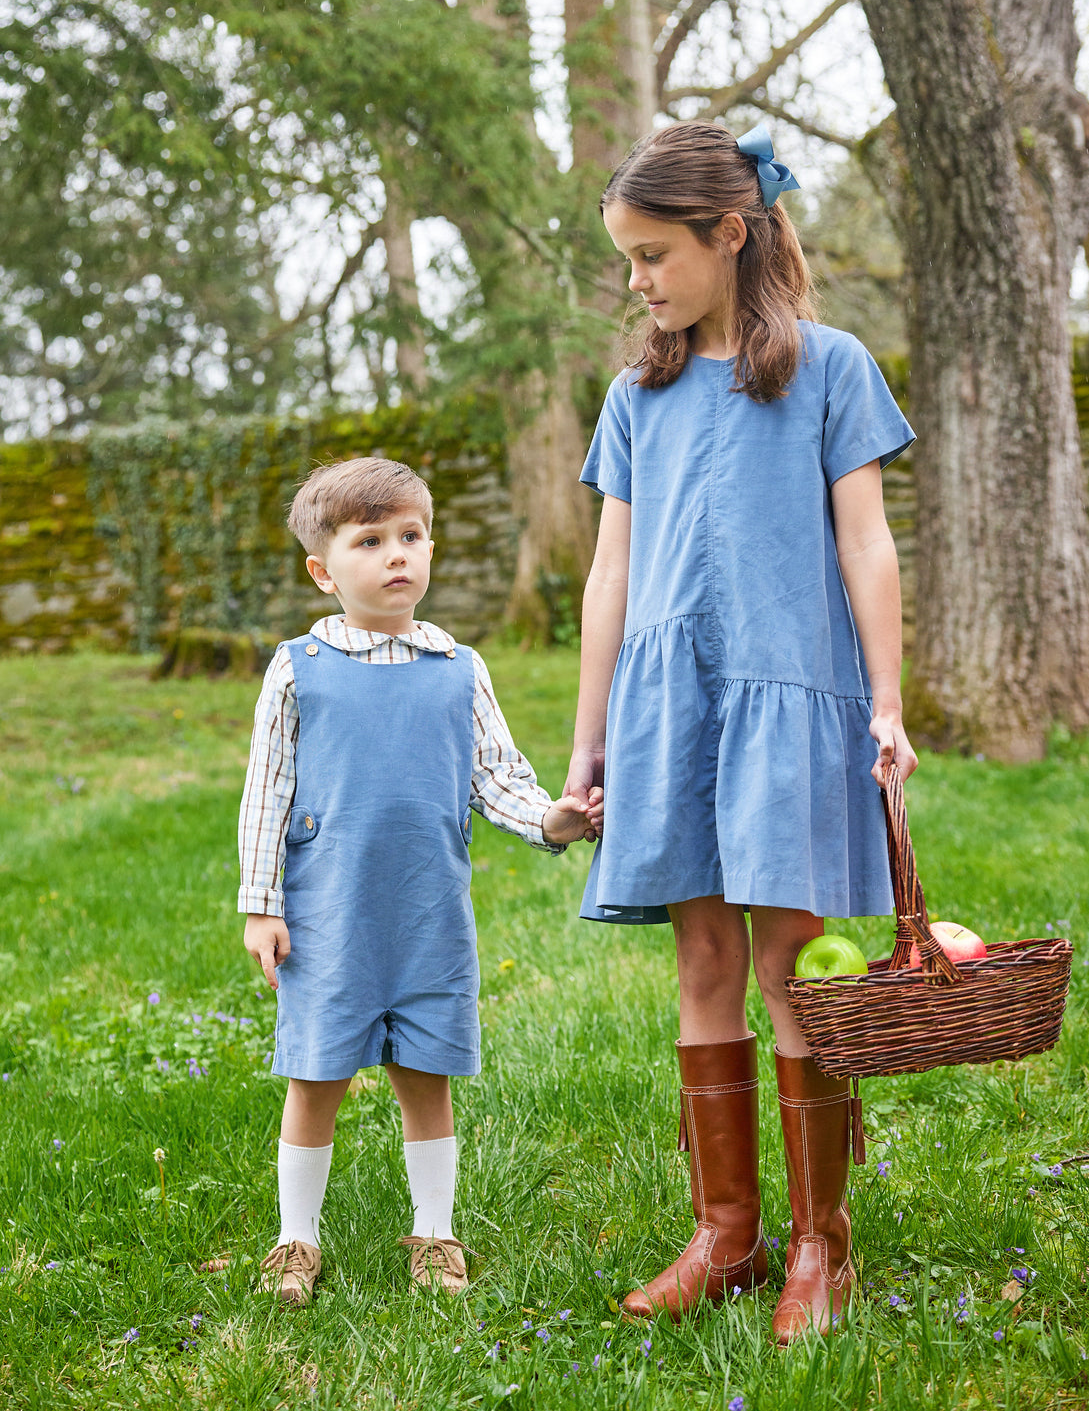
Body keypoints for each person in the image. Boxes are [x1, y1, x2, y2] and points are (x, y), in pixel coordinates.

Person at [564, 122, 918, 1344]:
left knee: (787, 967)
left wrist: (884, 698)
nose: (638, 281)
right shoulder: (636, 394)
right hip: (671, 706)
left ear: (730, 232)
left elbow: (864, 541)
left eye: (654, 253)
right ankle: (728, 1231)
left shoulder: (826, 368)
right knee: (703, 962)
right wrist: (587, 737)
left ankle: (821, 1242)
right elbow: (609, 572)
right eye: (625, 259)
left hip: (789, 696)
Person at [239, 456, 599, 1305]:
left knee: (425, 1075)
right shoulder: (299, 667)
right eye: (371, 540)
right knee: (317, 1074)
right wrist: (261, 903)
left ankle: (434, 1232)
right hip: (330, 911)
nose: (397, 553)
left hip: (429, 910)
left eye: (411, 535)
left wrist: (550, 819)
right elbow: (267, 788)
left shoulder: (459, 667)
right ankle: (296, 1238)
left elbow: (497, 776)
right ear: (324, 570)